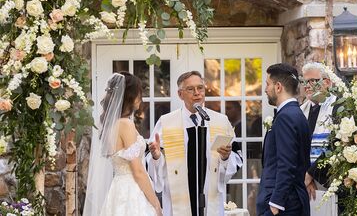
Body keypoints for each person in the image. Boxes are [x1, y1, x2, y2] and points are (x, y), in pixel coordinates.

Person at [146, 71, 243, 216]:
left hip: (210, 197)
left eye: (200, 88)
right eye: (190, 89)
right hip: (178, 200)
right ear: (180, 94)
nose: (197, 93)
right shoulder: (166, 122)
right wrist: (156, 157)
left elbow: (236, 157)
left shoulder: (220, 121)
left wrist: (225, 158)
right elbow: (151, 161)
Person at [83, 72, 162, 216]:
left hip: (118, 188)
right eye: (139, 93)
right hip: (132, 191)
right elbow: (138, 172)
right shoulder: (125, 124)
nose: (141, 98)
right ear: (130, 96)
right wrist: (155, 203)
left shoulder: (112, 125)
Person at [256, 63, 311, 216]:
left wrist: (276, 202)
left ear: (278, 87)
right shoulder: (297, 115)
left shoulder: (286, 117)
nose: (266, 89)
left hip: (283, 205)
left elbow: (287, 164)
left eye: (268, 84)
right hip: (292, 200)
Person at [300, 62, 337, 215]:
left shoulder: (338, 107)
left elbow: (337, 146)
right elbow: (297, 148)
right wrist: (306, 178)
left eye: (312, 81)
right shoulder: (302, 110)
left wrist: (311, 175)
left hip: (330, 183)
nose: (307, 86)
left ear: (327, 82)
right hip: (307, 186)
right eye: (304, 82)